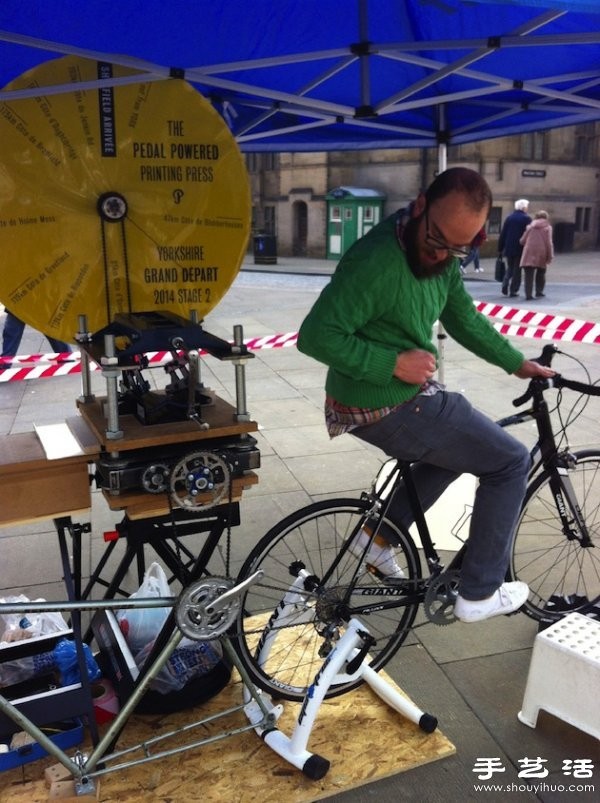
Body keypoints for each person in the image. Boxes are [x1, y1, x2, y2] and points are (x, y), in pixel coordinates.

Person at [297, 167, 555, 623]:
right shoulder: (375, 261)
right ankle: (480, 591)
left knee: (459, 446)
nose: (443, 255)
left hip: (393, 396)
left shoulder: (445, 258)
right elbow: (316, 336)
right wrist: (392, 363)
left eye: (460, 247)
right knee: (510, 461)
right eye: (437, 239)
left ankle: (374, 539)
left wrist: (516, 362)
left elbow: (464, 319)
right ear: (419, 207)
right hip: (381, 398)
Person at [1, 310, 72, 357]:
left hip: (38, 300)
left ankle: (67, 358)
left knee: (52, 333)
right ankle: (4, 365)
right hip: (18, 302)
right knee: (11, 334)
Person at [498, 198, 531, 297]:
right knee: (517, 269)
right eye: (527, 207)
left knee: (510, 267)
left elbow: (503, 233)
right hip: (520, 247)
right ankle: (513, 290)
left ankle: (505, 282)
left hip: (508, 247)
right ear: (524, 207)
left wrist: (500, 247)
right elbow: (529, 234)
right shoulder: (527, 219)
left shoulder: (509, 218)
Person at [519, 211, 554, 301]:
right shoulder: (548, 228)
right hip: (541, 252)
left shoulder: (530, 227)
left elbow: (522, 240)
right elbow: (549, 243)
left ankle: (528, 294)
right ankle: (539, 291)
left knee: (528, 274)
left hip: (529, 251)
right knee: (541, 272)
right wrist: (550, 255)